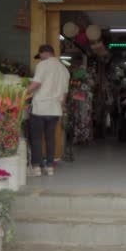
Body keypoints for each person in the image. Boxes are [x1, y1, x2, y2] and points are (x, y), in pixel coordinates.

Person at [27, 44, 70, 177]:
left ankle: (36, 167)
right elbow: (64, 95)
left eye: (40, 56)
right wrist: (61, 106)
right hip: (55, 109)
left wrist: (22, 93)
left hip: (40, 107)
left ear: (43, 53)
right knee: (50, 138)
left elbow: (36, 83)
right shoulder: (64, 70)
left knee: (36, 138)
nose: (40, 59)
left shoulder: (43, 65)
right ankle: (50, 166)